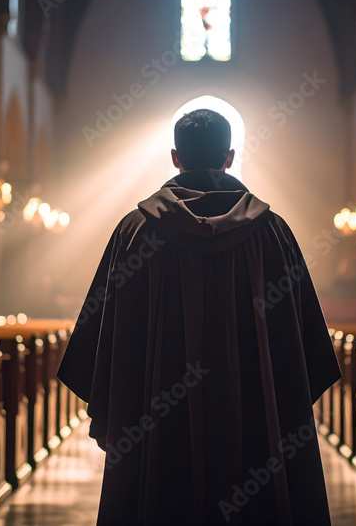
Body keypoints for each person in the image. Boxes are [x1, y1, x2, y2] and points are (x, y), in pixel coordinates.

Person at [57, 108, 341, 525]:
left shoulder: (135, 232)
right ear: (229, 157)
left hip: (153, 426)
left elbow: (103, 339)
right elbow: (303, 348)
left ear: (175, 157)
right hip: (255, 433)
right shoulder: (273, 233)